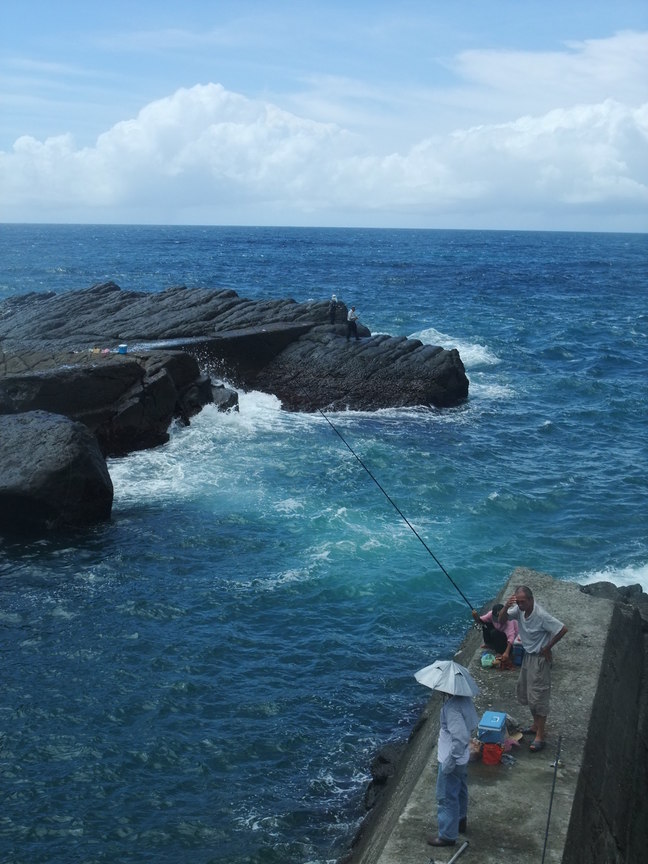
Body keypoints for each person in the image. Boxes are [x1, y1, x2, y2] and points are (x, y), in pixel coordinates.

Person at [499, 585, 567, 752]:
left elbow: (562, 629)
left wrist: (548, 647)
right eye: (518, 602)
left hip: (539, 659)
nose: (520, 605)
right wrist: (507, 606)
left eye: (523, 602)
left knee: (539, 696)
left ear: (531, 600)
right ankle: (535, 725)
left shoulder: (541, 615)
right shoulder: (519, 610)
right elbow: (501, 621)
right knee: (527, 693)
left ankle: (540, 736)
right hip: (527, 656)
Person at [428, 692, 478, 847]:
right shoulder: (465, 700)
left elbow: (461, 736)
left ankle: (447, 836)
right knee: (460, 789)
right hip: (462, 758)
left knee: (446, 796)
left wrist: (451, 759)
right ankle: (460, 821)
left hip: (452, 759)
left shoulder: (452, 708)